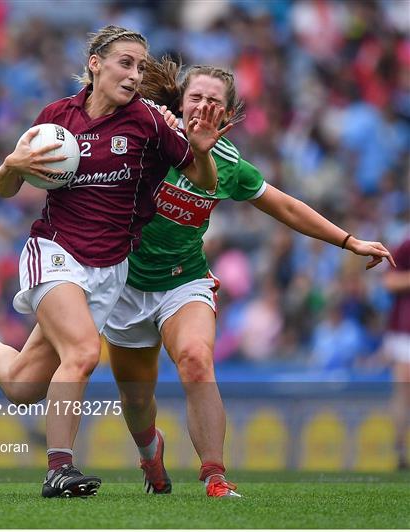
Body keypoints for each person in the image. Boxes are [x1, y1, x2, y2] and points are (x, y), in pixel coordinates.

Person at [0, 26, 229, 499]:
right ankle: (58, 469)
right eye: (125, 62)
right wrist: (11, 167)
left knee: (25, 387)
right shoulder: (55, 119)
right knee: (83, 353)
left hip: (109, 272)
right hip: (55, 253)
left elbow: (203, 180)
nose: (134, 74)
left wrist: (203, 153)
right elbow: (7, 188)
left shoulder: (149, 122)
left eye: (141, 66)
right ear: (95, 63)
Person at [102, 60, 396, 498]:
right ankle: (150, 452)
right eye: (196, 97)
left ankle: (215, 477)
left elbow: (288, 207)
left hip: (185, 281)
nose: (203, 106)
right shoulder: (147, 137)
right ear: (180, 102)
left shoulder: (228, 163)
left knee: (197, 361)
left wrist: (349, 241)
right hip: (126, 284)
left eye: (214, 101)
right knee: (137, 399)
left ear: (229, 113)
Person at [382, 237, 410, 470]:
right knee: (404, 391)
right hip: (406, 329)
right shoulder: (406, 245)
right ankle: (400, 449)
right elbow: (390, 281)